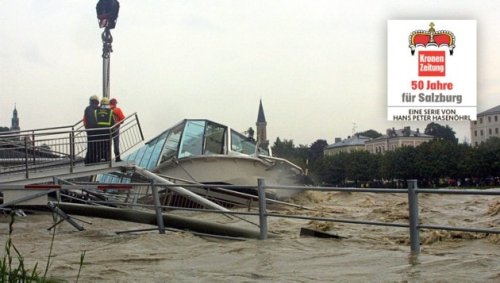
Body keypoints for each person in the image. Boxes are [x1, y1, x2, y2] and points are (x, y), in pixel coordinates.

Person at [94, 97, 115, 162]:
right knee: (107, 145)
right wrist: (113, 130)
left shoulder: (96, 111)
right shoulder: (111, 111)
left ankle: (99, 158)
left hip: (98, 131)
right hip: (107, 131)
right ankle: (107, 158)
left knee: (99, 145)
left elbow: (94, 121)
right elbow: (113, 122)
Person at [83, 95, 100, 164]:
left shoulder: (87, 109)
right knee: (96, 145)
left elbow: (85, 119)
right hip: (96, 130)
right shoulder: (97, 109)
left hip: (89, 130)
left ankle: (88, 160)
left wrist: (86, 127)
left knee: (90, 144)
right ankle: (93, 160)